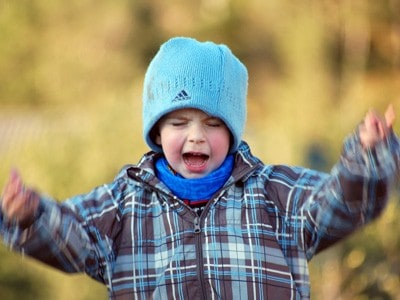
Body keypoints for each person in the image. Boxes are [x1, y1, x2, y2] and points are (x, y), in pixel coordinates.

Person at [0, 37, 398, 300]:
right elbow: (74, 238)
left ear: (234, 131)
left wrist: (367, 159)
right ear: (156, 130)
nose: (196, 137)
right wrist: (32, 217)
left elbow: (340, 204)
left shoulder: (274, 193)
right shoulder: (125, 204)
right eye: (178, 123)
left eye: (213, 123)